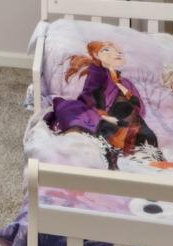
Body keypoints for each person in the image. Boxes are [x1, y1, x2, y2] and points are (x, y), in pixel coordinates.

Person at [48, 40, 157, 170]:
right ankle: (82, 149)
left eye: (118, 51)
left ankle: (142, 158)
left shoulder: (125, 82)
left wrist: (127, 107)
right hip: (100, 113)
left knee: (143, 134)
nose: (116, 53)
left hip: (123, 119)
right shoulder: (97, 72)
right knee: (75, 115)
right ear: (96, 55)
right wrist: (103, 115)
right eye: (107, 50)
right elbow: (91, 94)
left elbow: (138, 106)